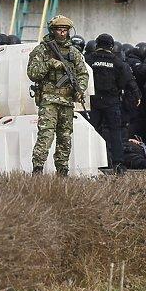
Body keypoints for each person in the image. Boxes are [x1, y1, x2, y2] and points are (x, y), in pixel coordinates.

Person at [27, 15, 89, 175]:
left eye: (65, 30)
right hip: (48, 100)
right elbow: (32, 73)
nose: (62, 33)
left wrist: (80, 89)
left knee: (65, 137)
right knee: (46, 135)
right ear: (53, 31)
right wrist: (49, 64)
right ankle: (38, 169)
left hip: (67, 100)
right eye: (59, 30)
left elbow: (83, 73)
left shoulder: (73, 53)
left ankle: (62, 170)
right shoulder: (42, 50)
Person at [85, 33, 141, 170]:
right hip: (112, 102)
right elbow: (129, 81)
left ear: (97, 45)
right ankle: (118, 164)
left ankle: (92, 162)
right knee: (115, 133)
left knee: (92, 132)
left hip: (94, 101)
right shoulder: (117, 62)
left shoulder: (88, 60)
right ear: (111, 46)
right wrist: (137, 96)